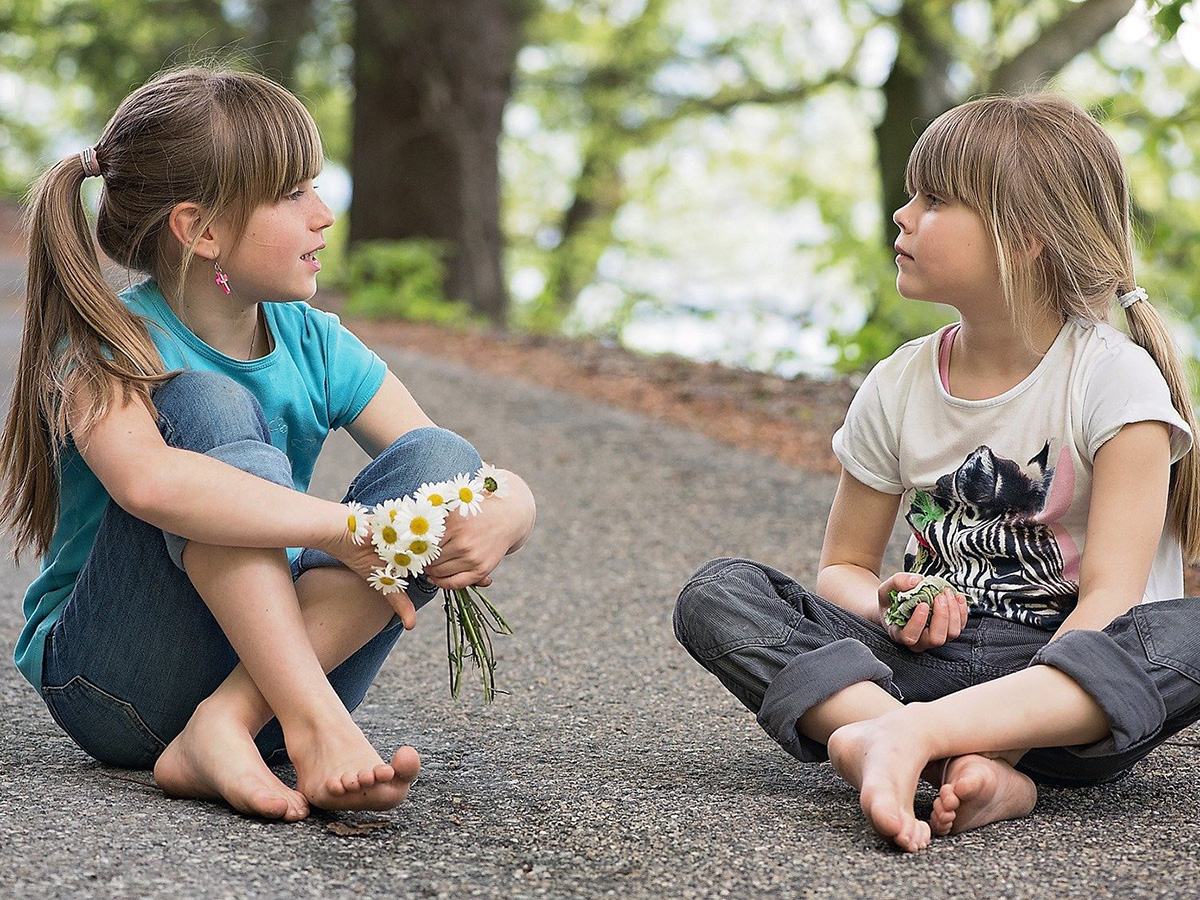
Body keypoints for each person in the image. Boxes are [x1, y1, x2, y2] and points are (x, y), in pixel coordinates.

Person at [0, 67, 536, 821]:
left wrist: (512, 507)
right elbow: (151, 486)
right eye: (293, 194)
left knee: (439, 462)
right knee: (206, 402)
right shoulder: (106, 346)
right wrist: (345, 528)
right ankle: (309, 724)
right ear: (203, 230)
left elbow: (452, 469)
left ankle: (228, 723)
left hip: (279, 683)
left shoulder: (315, 342)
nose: (324, 215)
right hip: (118, 684)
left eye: (317, 187)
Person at [674, 93, 1200, 852]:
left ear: (1027, 240)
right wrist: (890, 599)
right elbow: (843, 568)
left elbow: (1110, 605)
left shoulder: (1115, 384)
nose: (904, 214)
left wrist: (997, 743)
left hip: (1066, 700)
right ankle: (911, 746)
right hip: (919, 666)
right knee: (719, 593)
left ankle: (890, 742)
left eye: (936, 200)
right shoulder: (899, 382)